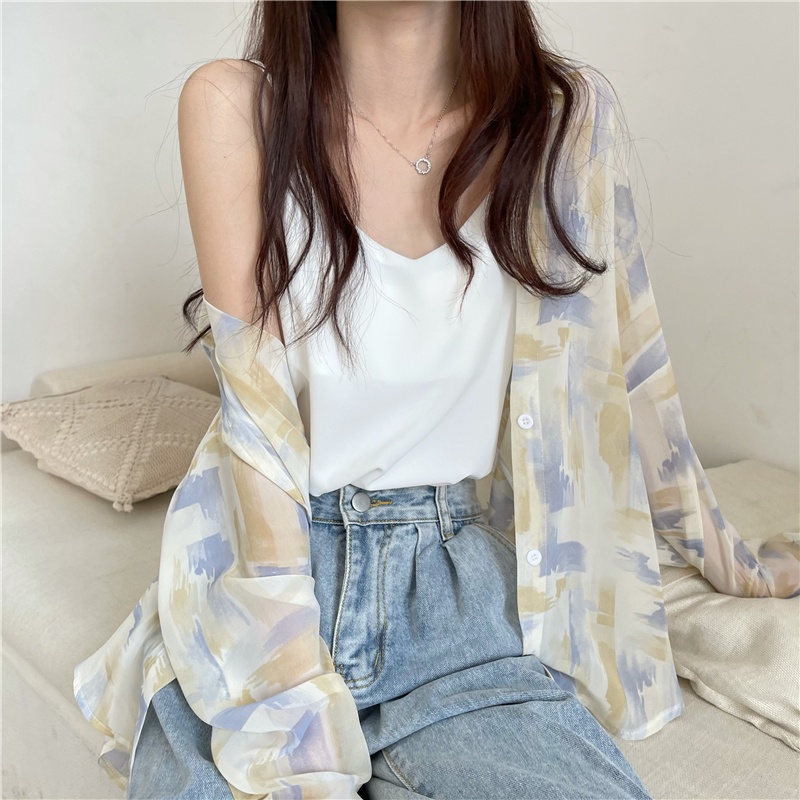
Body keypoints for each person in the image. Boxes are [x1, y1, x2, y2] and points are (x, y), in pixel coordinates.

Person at [72, 2, 800, 799]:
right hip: (257, 588)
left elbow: (628, 373)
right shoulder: (236, 108)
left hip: (455, 594)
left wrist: (732, 562)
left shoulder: (559, 120)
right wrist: (296, 725)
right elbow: (257, 431)